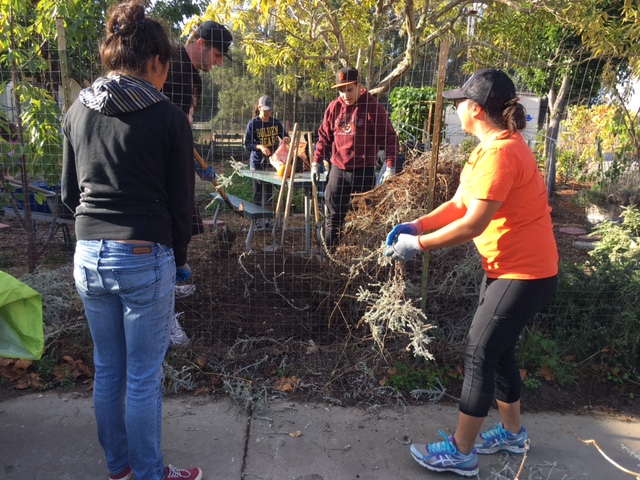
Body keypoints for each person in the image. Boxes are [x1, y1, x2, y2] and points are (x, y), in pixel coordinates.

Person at [384, 69, 558, 477]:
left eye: (460, 101)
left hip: (523, 274)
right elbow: (461, 203)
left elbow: (473, 224)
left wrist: (418, 246)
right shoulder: (491, 148)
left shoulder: (501, 154)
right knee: (498, 353)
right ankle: (513, 435)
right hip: (512, 270)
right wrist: (418, 225)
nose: (456, 106)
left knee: (479, 353)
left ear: (476, 110)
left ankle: (462, 452)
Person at [61, 2, 202, 479]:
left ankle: (119, 468)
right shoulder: (166, 118)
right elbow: (182, 204)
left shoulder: (76, 111)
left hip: (87, 255)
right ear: (157, 63)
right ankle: (149, 473)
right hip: (144, 255)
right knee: (143, 377)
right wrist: (180, 260)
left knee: (108, 369)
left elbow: (67, 194)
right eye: (166, 69)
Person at [162, 19, 232, 346]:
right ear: (200, 43)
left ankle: (175, 277)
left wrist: (196, 163)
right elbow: (165, 129)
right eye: (217, 55)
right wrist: (186, 161)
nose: (218, 64)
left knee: (181, 229)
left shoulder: (194, 78)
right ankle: (163, 313)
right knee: (167, 234)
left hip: (179, 163)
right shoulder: (172, 68)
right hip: (161, 170)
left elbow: (183, 129)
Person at [311, 67, 399, 248]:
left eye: (349, 89)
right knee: (333, 219)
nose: (345, 95)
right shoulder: (334, 108)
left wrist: (390, 166)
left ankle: (357, 262)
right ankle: (330, 260)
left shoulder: (373, 108)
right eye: (341, 90)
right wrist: (316, 161)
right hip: (338, 170)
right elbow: (324, 137)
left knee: (362, 220)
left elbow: (390, 138)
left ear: (359, 85)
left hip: (363, 172)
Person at [244, 95, 289, 229]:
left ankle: (268, 220)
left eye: (269, 110)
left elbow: (285, 135)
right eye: (265, 110)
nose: (267, 112)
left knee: (269, 193)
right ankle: (257, 221)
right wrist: (260, 146)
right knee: (258, 192)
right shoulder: (253, 124)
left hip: (272, 163)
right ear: (259, 108)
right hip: (257, 163)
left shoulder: (275, 122)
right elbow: (247, 144)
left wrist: (286, 138)